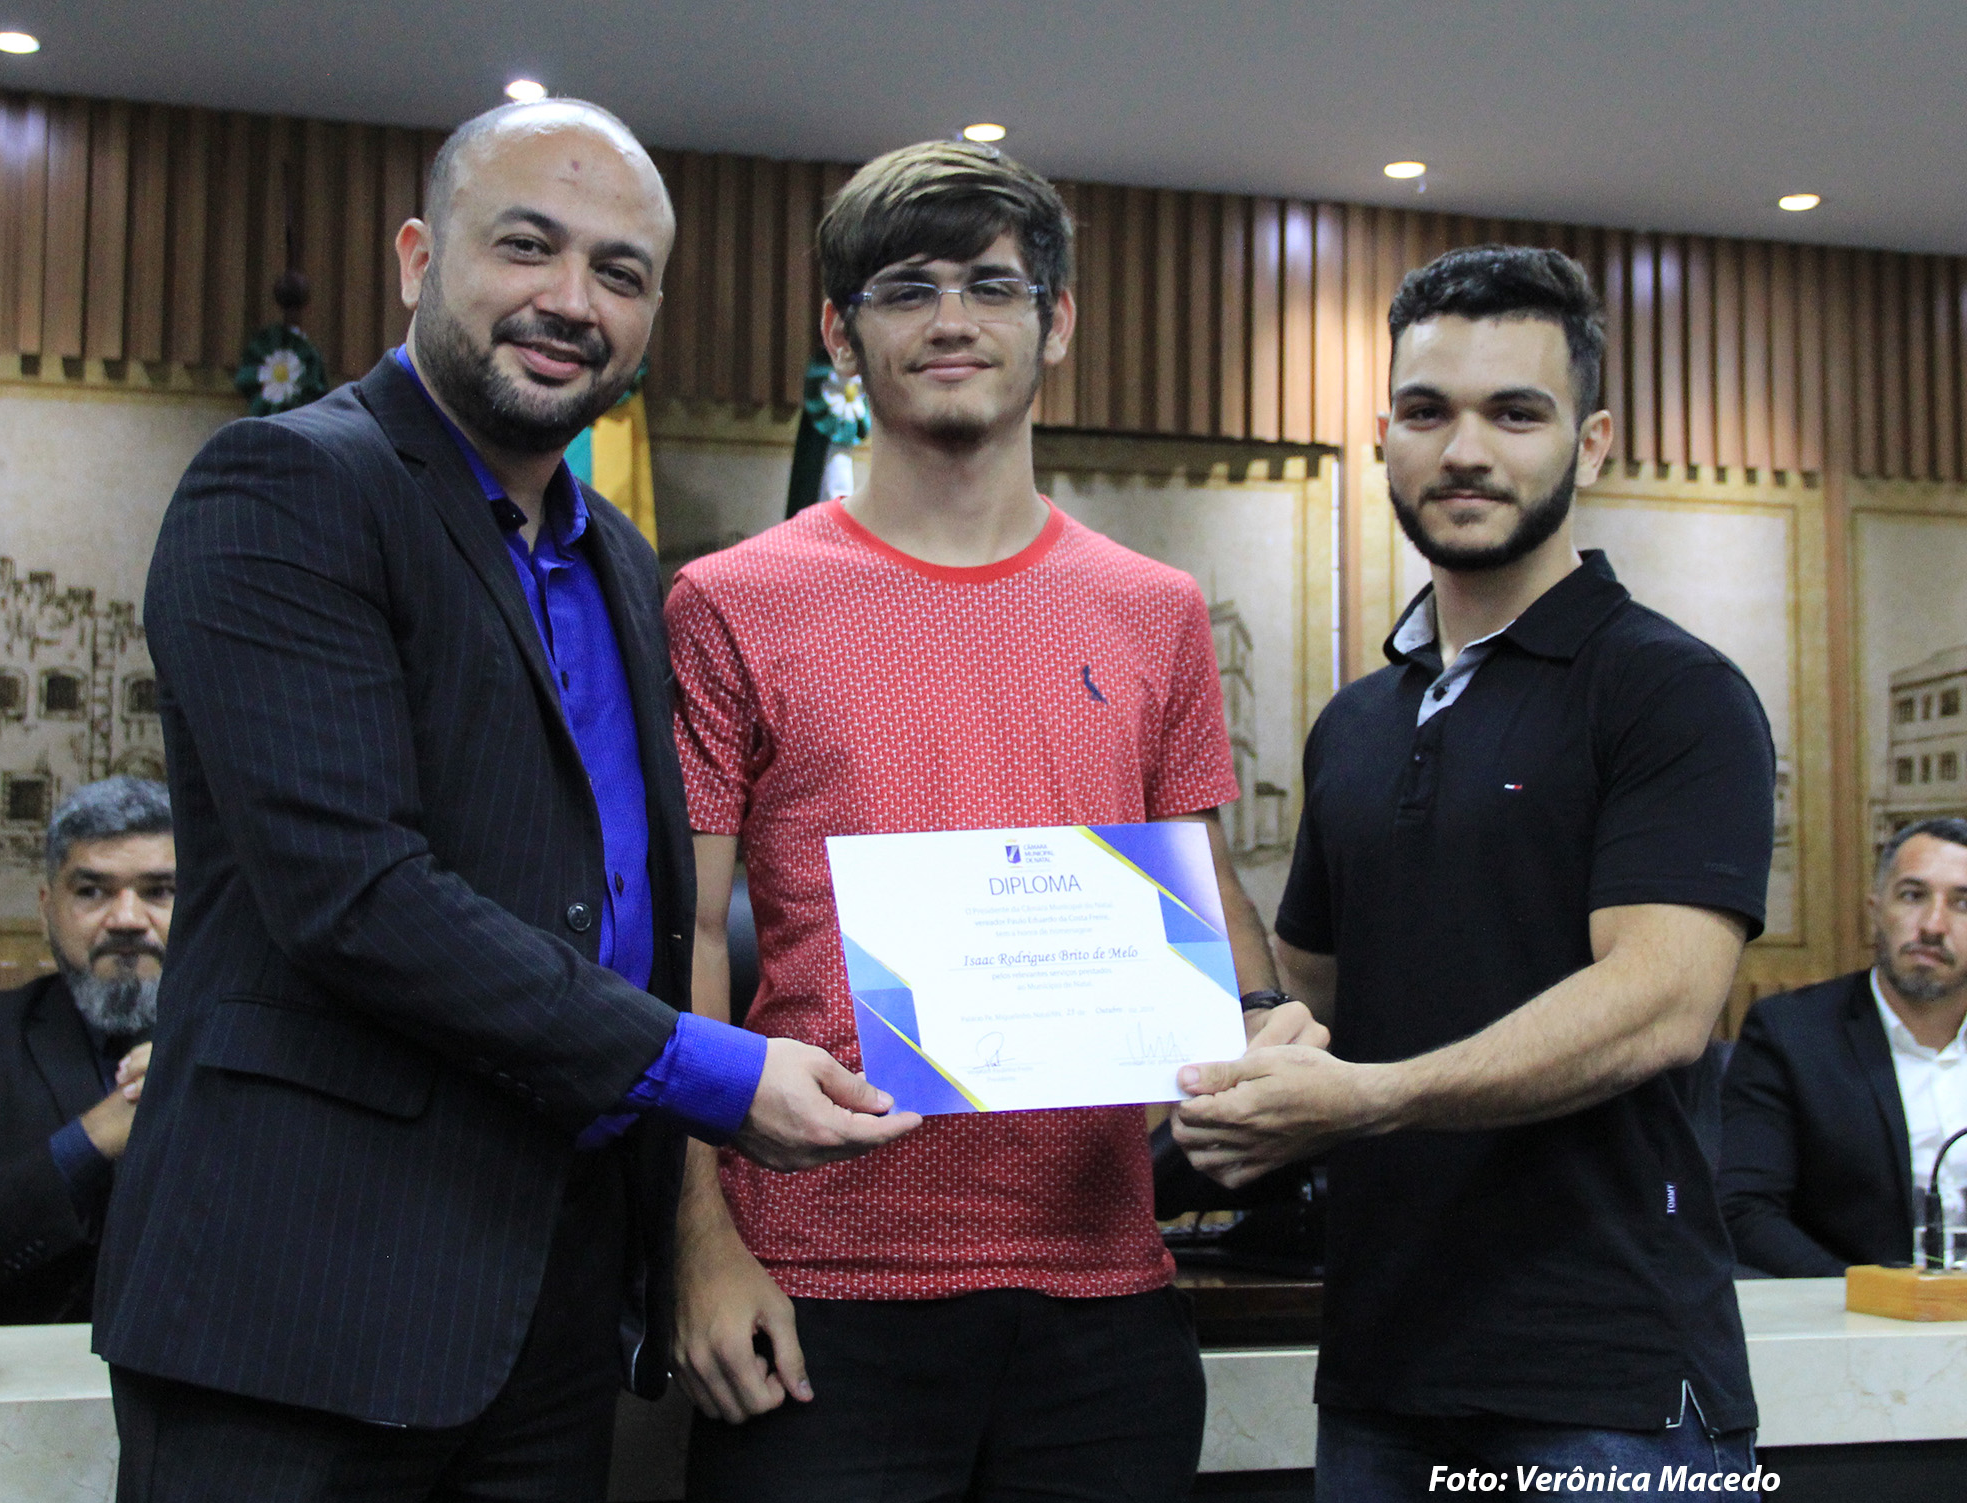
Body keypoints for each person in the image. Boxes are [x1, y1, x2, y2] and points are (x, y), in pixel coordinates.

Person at [92, 98, 915, 1503]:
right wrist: (716, 1074)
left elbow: (629, 911)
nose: (571, 301)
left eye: (619, 271)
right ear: (418, 257)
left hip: (550, 1315)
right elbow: (356, 898)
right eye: (526, 246)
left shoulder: (626, 570)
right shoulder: (286, 486)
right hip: (297, 1311)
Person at [665, 139, 1318, 1503]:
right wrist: (698, 1244)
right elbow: (687, 945)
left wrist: (1264, 1028)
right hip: (817, 1292)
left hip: (1104, 1295)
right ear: (840, 333)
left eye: (991, 285)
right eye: (906, 289)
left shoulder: (1155, 611)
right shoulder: (731, 603)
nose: (951, 319)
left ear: (1055, 320)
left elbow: (1202, 899)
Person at [1173, 245, 1777, 1499]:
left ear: (1590, 443)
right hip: (1379, 1375)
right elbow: (1312, 1007)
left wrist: (1371, 1098)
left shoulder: (1670, 693)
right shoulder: (1355, 724)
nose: (1463, 451)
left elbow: (1661, 1003)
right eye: (1425, 411)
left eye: (1514, 413)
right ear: (1381, 438)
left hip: (1607, 1389)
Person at [0, 776, 168, 1324]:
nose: (127, 919)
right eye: (92, 892)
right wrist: (91, 1138)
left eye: (158, 892)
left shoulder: (257, 1047)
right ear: (46, 910)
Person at [1721, 818, 1967, 1275]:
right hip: (1855, 1305)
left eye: (1962, 903)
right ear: (1876, 910)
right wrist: (1864, 1294)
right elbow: (1743, 1210)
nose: (1933, 925)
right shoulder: (1792, 1035)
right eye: (1913, 896)